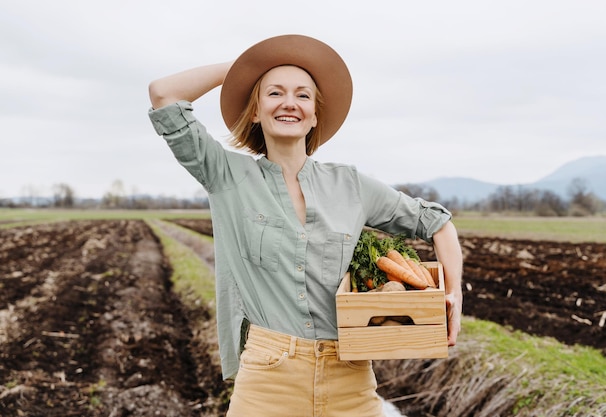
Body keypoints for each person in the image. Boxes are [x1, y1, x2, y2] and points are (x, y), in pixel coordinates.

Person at [148, 34, 463, 417]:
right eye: (274, 93)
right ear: (255, 110)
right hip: (267, 378)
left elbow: (438, 223)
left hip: (350, 375)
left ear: (314, 115)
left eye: (302, 95)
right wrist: (245, 68)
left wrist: (453, 295)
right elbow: (164, 94)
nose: (289, 103)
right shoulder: (227, 175)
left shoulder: (351, 185)